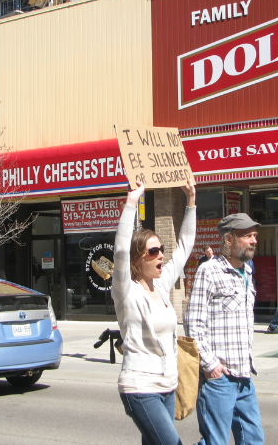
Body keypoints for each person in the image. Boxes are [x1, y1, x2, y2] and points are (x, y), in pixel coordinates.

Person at [113, 179, 196, 445]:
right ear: (138, 258)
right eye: (153, 251)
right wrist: (131, 203)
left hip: (168, 386)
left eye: (161, 249)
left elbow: (183, 248)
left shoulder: (161, 287)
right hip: (140, 387)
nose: (161, 254)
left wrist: (191, 203)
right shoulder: (126, 291)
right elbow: (120, 251)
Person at [184, 213, 264, 445]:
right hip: (219, 379)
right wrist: (211, 366)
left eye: (255, 236)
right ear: (229, 239)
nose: (254, 240)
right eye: (247, 235)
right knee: (215, 442)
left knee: (254, 440)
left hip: (245, 376)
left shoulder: (247, 271)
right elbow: (193, 324)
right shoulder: (209, 271)